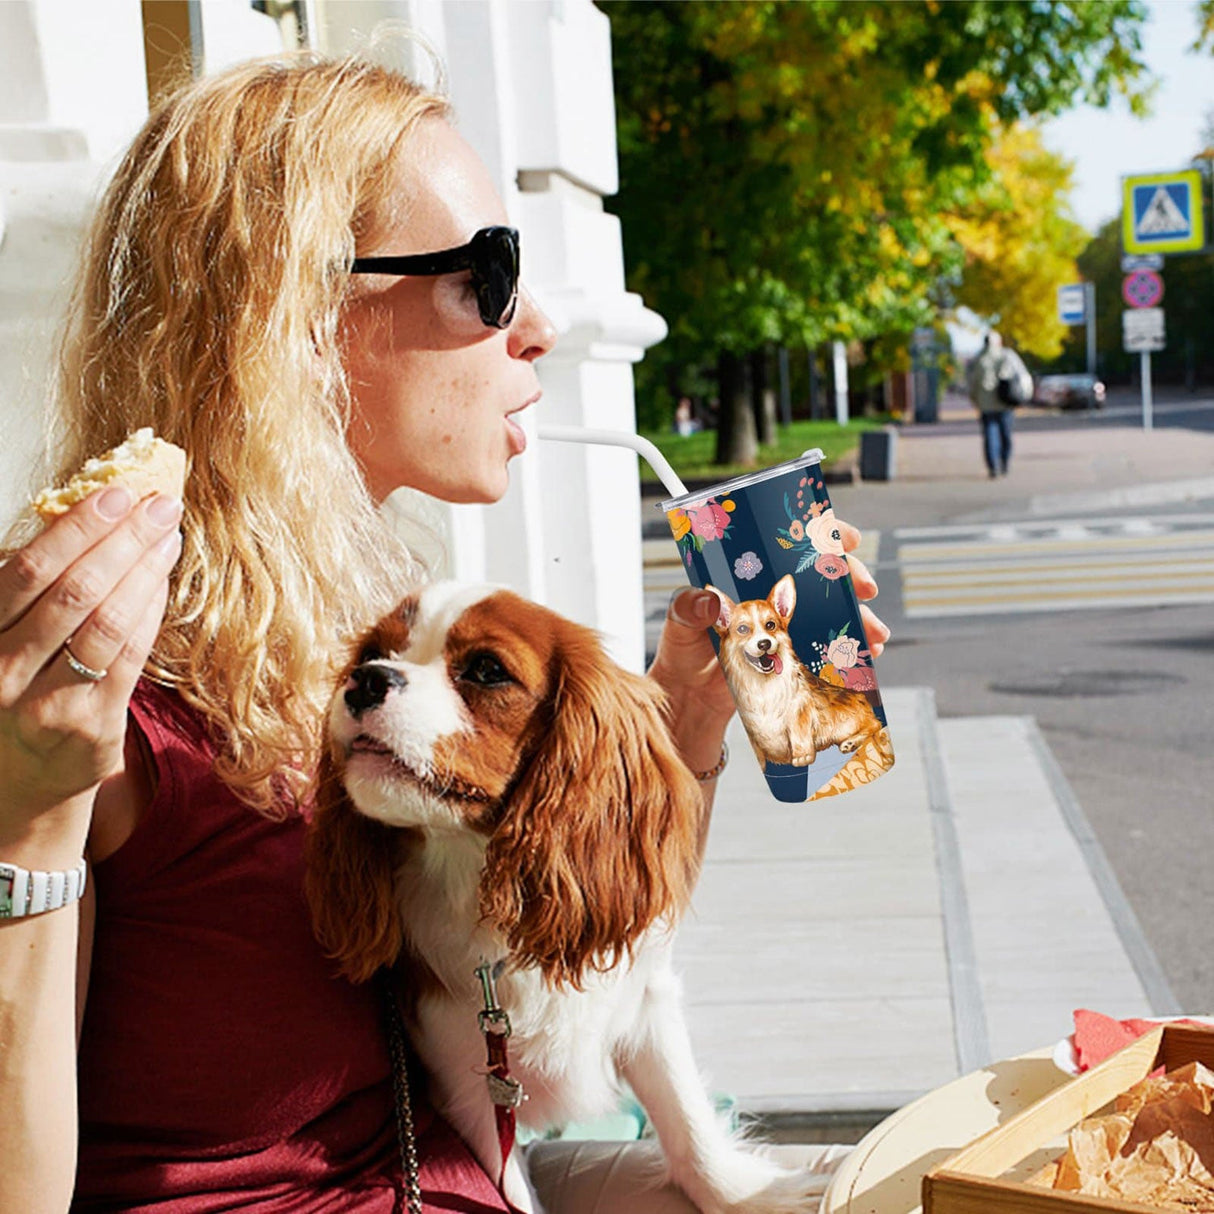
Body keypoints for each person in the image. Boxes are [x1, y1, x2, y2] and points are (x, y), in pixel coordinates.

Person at [0, 52, 889, 1212]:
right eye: (490, 273)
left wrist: (685, 724)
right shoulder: (95, 693)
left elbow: (573, 953)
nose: (542, 325)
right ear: (303, 316)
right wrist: (27, 818)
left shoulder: (368, 632)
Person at [965, 330, 1032, 477]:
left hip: (985, 404)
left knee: (990, 435)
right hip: (1005, 403)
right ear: (999, 342)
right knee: (1005, 435)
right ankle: (1004, 463)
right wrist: (1024, 395)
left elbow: (971, 383)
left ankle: (993, 466)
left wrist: (975, 401)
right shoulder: (1008, 355)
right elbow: (1022, 375)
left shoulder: (977, 359)